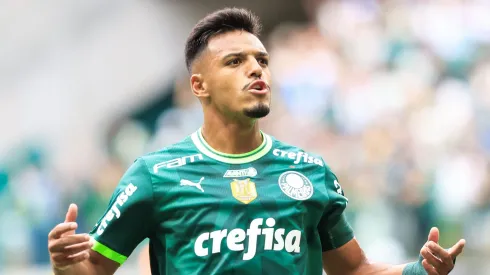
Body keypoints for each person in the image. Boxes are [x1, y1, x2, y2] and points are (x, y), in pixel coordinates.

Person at [47, 7, 465, 275]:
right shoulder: (154, 176)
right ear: (199, 85)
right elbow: (96, 268)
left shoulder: (307, 171)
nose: (256, 70)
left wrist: (419, 272)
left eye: (262, 60)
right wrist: (65, 264)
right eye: (236, 61)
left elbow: (353, 270)